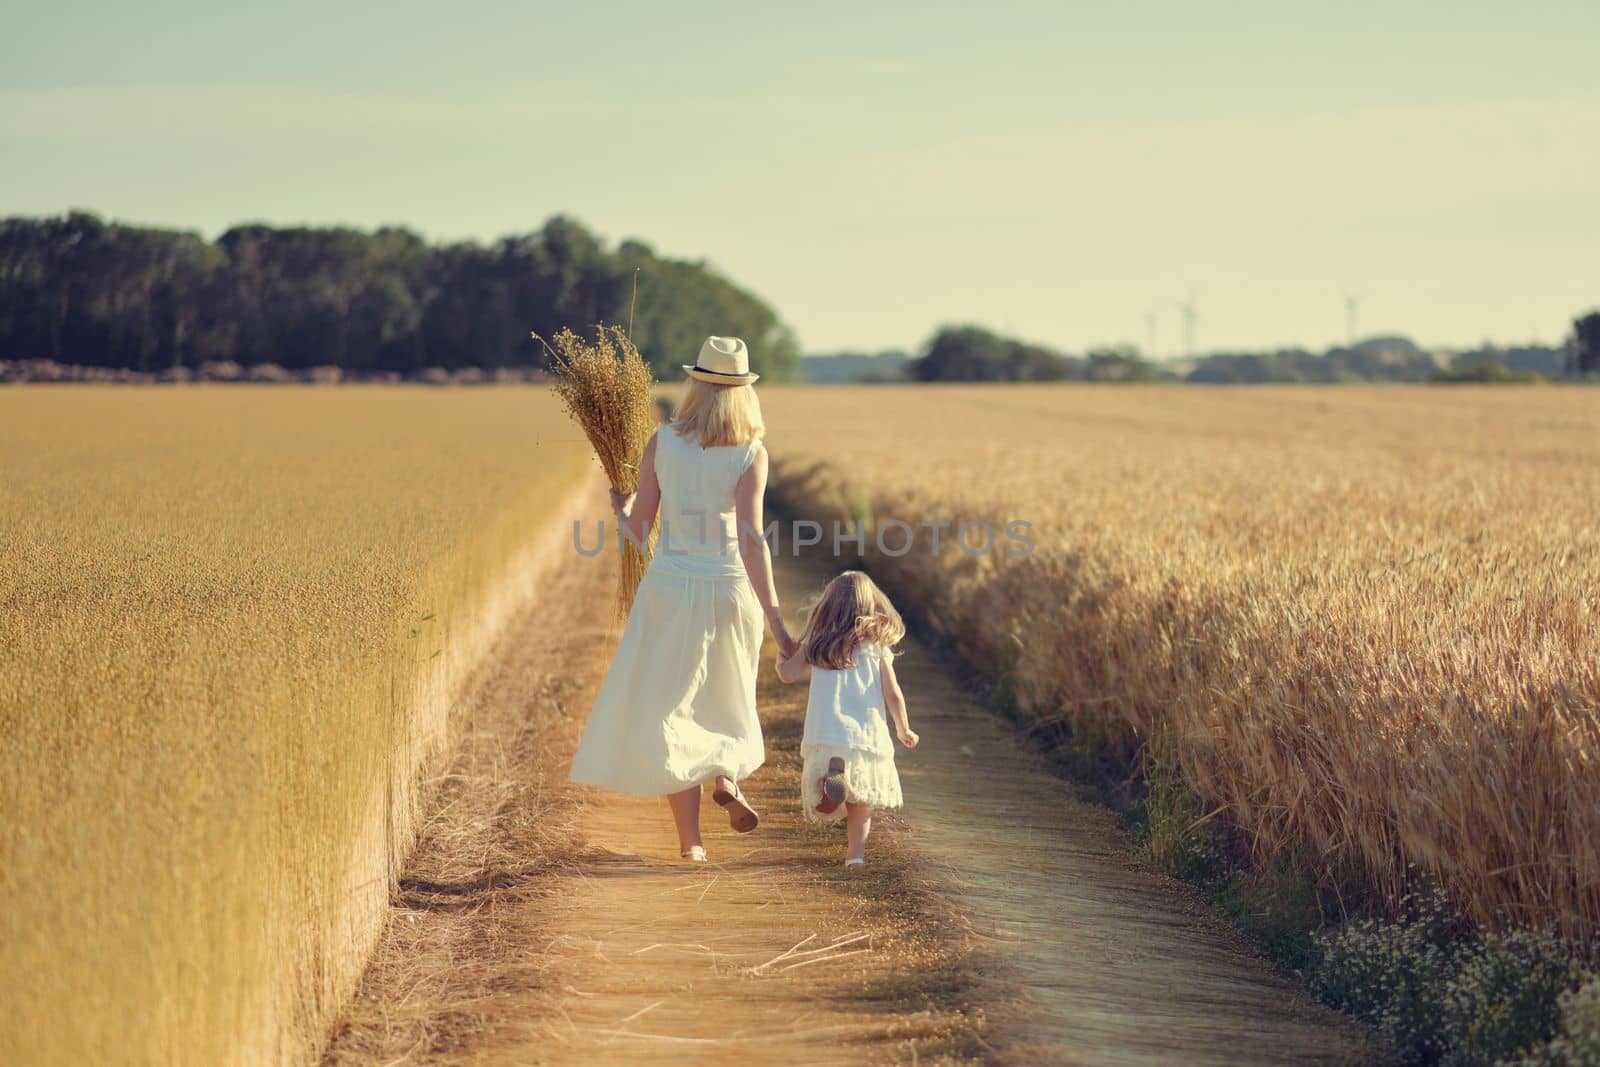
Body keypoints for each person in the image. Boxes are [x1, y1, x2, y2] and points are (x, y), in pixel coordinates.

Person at [569, 336, 797, 862]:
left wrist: (621, 506)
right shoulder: (750, 453)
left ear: (696, 383)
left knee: (673, 707)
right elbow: (751, 540)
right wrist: (779, 625)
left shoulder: (663, 441)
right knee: (726, 697)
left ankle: (691, 845)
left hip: (669, 587)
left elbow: (640, 528)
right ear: (743, 392)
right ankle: (724, 775)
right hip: (728, 590)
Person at [775, 570, 918, 868]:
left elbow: (788, 675)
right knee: (862, 803)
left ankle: (831, 788)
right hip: (866, 732)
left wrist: (780, 655)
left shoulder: (816, 640)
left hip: (827, 730)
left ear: (827, 606)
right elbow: (893, 693)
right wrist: (904, 727)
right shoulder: (876, 647)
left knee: (825, 803)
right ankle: (855, 858)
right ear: (872, 606)